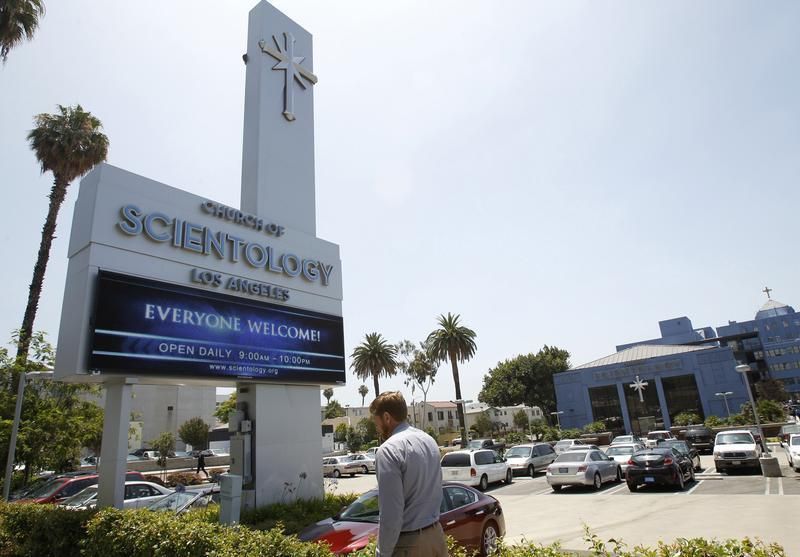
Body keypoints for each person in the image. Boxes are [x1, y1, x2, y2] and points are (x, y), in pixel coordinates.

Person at [370, 391, 447, 556]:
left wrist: (382, 553)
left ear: (386, 418)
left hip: (409, 545)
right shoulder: (429, 441)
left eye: (375, 422)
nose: (376, 428)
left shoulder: (388, 450)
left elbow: (391, 513)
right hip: (436, 536)